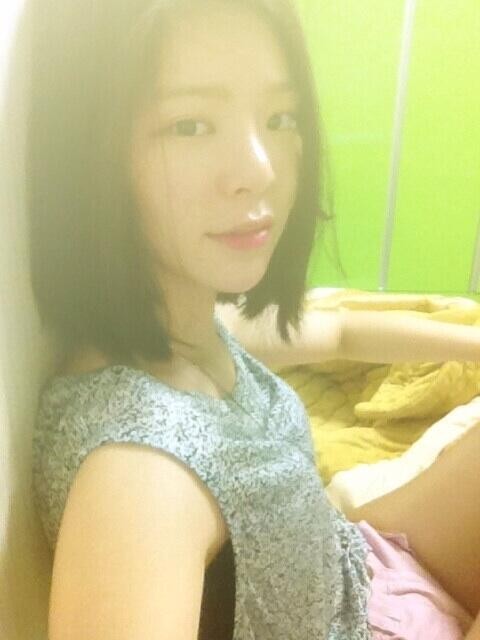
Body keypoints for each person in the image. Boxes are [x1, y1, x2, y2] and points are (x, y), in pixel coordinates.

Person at [26, 0, 480, 638]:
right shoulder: (138, 474)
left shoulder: (190, 325)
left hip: (356, 573)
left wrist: (473, 342)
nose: (261, 168)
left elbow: (340, 330)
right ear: (90, 155)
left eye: (279, 117)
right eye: (190, 125)